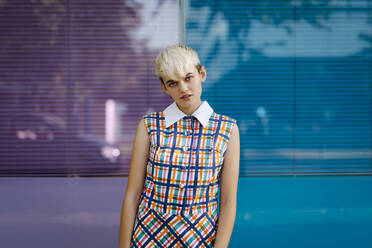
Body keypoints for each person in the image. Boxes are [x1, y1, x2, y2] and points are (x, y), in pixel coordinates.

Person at [118, 44, 240, 248]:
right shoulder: (149, 126)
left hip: (200, 240)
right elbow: (132, 194)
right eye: (173, 83)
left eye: (188, 78)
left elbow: (228, 201)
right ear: (164, 87)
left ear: (202, 74)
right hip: (147, 239)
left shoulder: (227, 129)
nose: (183, 88)